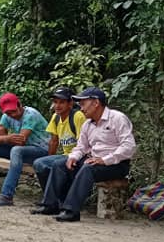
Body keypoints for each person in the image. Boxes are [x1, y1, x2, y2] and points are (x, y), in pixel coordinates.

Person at [32, 86, 137, 222]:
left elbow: (129, 147)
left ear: (96, 103)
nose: (81, 108)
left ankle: (71, 210)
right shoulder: (88, 124)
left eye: (83, 104)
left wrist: (105, 160)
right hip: (94, 160)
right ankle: (50, 204)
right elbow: (81, 147)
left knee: (88, 168)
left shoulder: (117, 118)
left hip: (117, 163)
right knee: (60, 165)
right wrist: (73, 157)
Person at [32, 86, 88, 194]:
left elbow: (83, 144)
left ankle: (58, 198)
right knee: (39, 164)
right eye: (55, 102)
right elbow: (54, 141)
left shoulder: (78, 116)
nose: (57, 106)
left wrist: (73, 158)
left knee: (56, 165)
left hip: (78, 156)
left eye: (62, 102)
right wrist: (49, 159)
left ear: (70, 103)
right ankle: (50, 197)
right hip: (65, 155)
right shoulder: (56, 117)